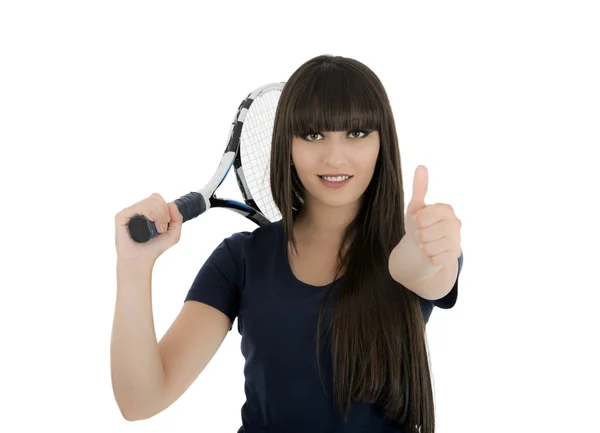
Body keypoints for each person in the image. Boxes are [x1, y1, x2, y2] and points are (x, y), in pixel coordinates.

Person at [111, 54, 464, 433]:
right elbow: (140, 400)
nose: (335, 156)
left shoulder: (416, 245)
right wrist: (134, 267)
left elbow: (424, 273)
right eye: (313, 135)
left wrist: (424, 254)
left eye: (357, 133)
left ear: (383, 144)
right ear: (288, 145)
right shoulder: (241, 260)